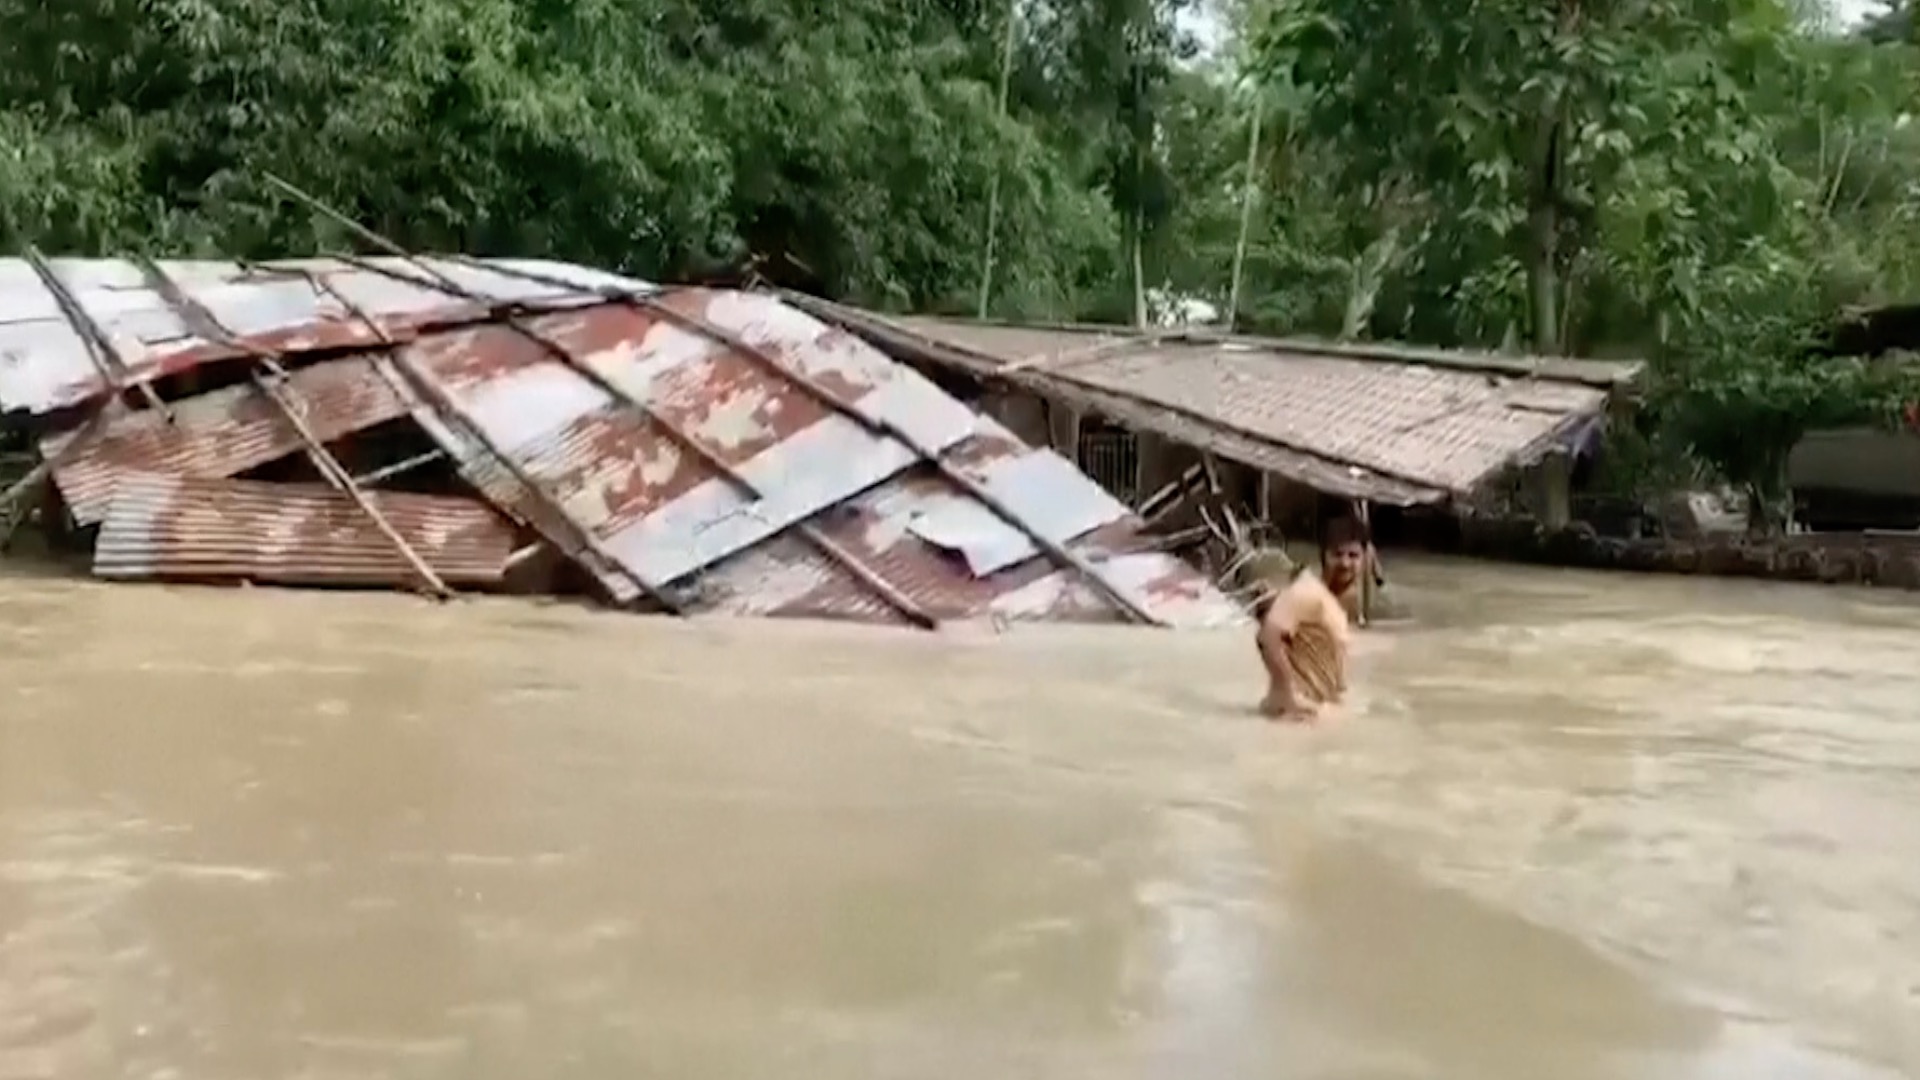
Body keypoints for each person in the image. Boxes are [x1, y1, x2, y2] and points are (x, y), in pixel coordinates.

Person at [1248, 552, 1351, 723]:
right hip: (1298, 710)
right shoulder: (1303, 595)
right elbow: (1266, 637)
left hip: (1300, 707)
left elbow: (1267, 637)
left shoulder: (1303, 601)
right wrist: (1286, 694)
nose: (1345, 563)